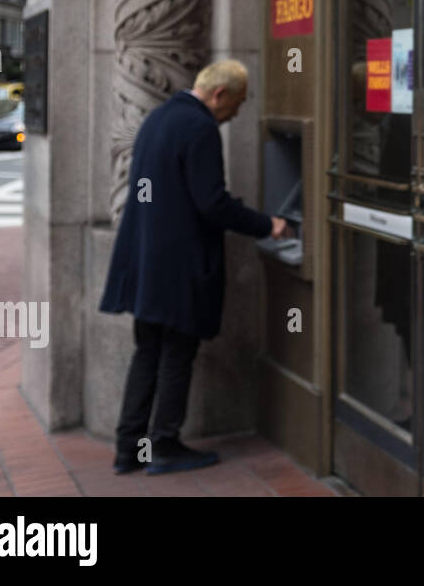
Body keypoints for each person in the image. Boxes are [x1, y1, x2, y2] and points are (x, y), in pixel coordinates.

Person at [99, 59, 288, 475]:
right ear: (219, 94)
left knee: (147, 351)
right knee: (176, 356)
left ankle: (128, 449)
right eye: (236, 104)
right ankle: (164, 445)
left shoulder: (158, 118)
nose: (236, 114)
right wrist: (266, 224)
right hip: (179, 265)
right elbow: (211, 202)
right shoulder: (199, 126)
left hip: (147, 261)